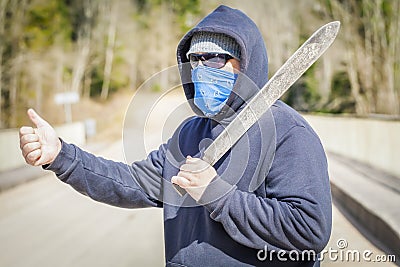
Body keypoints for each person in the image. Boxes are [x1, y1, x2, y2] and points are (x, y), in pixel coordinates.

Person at [19, 5, 332, 267]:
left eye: (215, 58)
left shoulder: (287, 132)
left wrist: (216, 194)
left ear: (246, 64)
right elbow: (130, 183)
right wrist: (61, 155)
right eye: (195, 60)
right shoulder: (189, 134)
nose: (200, 68)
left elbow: (309, 230)